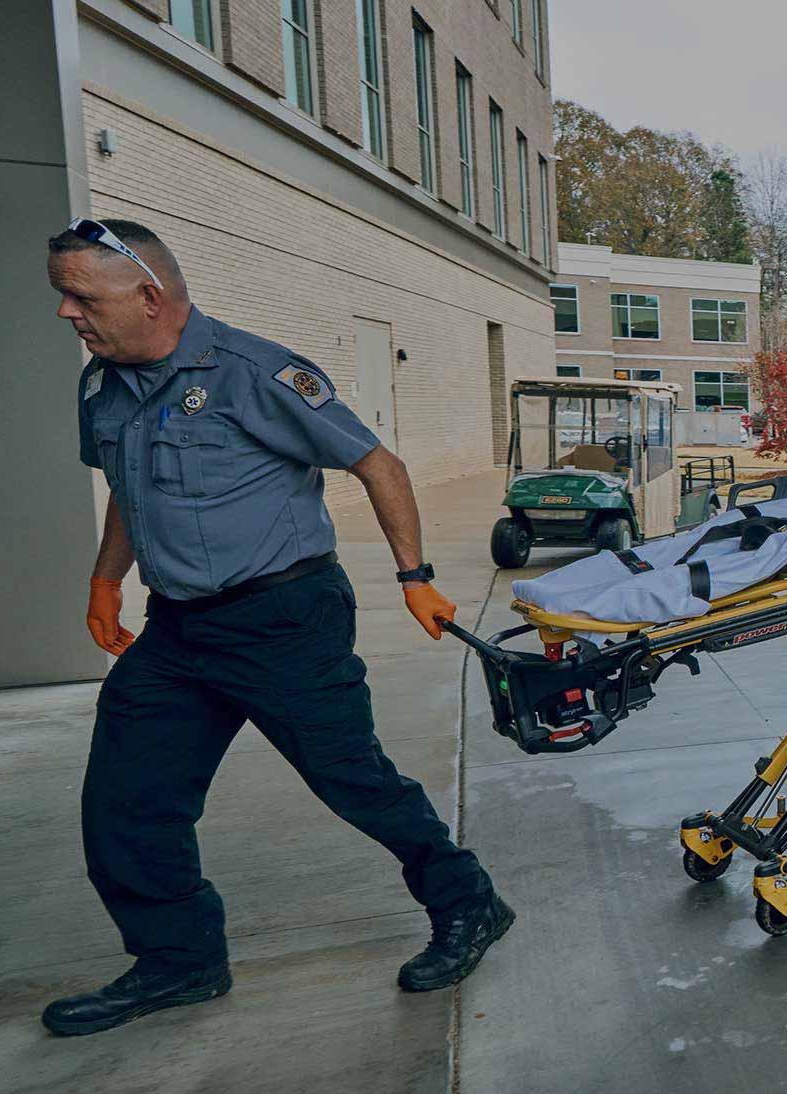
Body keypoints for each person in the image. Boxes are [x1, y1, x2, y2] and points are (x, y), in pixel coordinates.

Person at [41, 218, 514, 1037]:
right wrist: (104, 579)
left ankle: (469, 902)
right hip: (179, 629)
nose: (66, 313)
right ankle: (179, 960)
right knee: (127, 796)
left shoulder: (256, 372)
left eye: (80, 296)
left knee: (351, 778)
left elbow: (378, 464)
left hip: (283, 617)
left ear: (149, 297)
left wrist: (416, 579)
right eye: (63, 295)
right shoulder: (103, 385)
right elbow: (128, 485)